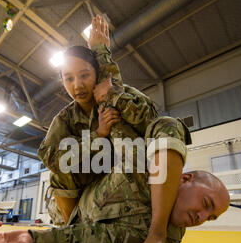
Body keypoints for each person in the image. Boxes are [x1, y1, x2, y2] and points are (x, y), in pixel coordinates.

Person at [38, 15, 158, 225]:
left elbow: (150, 120)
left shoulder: (120, 96)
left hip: (121, 184)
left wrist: (103, 58)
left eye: (84, 75)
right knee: (60, 171)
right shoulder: (65, 118)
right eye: (69, 78)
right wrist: (97, 136)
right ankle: (73, 231)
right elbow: (50, 158)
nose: (77, 86)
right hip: (79, 198)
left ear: (97, 73)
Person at [0, 168, 230, 243]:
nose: (202, 217)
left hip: (73, 222)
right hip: (70, 198)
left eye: (211, 217)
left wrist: (33, 240)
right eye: (206, 203)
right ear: (184, 178)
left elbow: (101, 237)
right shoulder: (146, 167)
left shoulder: (169, 236)